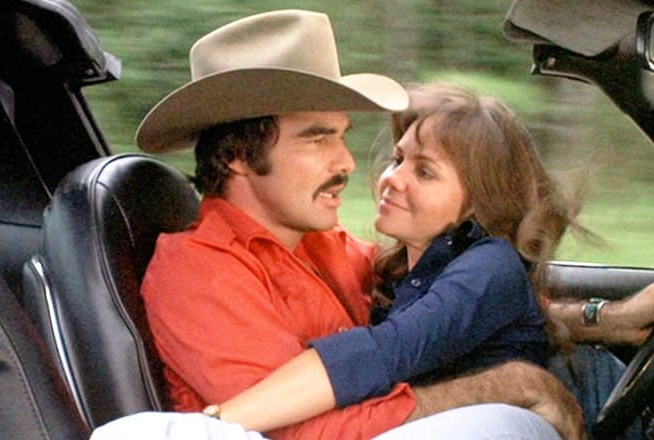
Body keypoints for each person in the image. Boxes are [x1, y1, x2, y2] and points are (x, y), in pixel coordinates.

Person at [136, 9, 584, 440]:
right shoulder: (199, 273)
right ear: (237, 156)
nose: (347, 163)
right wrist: (505, 386)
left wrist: (595, 318)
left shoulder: (321, 244)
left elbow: (451, 305)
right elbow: (306, 435)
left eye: (342, 136)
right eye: (317, 138)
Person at [201, 82, 583, 434]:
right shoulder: (397, 272)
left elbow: (388, 350)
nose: (393, 178)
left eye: (425, 172)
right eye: (397, 159)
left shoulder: (490, 264)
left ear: (479, 201)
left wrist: (215, 423)